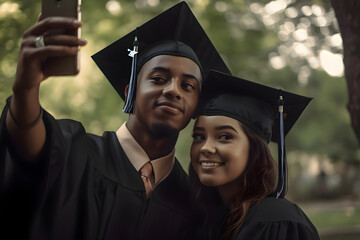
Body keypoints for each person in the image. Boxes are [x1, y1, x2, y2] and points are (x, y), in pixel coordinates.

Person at [0, 2, 230, 239]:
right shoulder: (72, 150)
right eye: (159, 78)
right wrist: (26, 88)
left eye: (188, 86)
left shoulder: (194, 205)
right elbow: (26, 140)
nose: (173, 90)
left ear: (196, 108)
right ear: (130, 91)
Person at [189, 70, 320, 240]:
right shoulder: (208, 217)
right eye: (199, 136)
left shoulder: (279, 222)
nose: (205, 147)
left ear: (255, 150)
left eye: (225, 137)